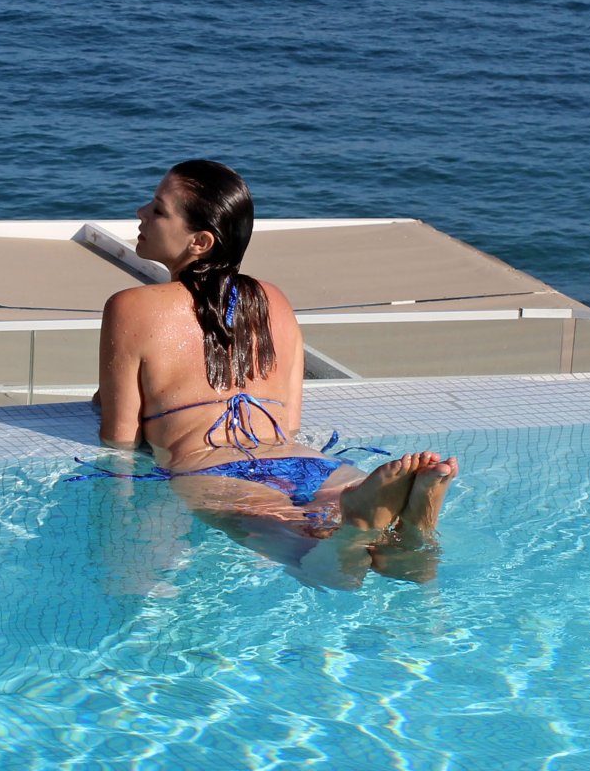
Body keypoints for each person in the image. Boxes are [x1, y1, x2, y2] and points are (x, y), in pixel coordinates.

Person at [93, 159, 456, 586]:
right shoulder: (274, 299)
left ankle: (353, 532)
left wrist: (107, 405)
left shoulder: (131, 306)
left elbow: (120, 438)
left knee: (321, 565)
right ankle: (412, 525)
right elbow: (290, 423)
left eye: (158, 210)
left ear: (200, 242)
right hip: (306, 463)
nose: (141, 213)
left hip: (212, 471)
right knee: (408, 568)